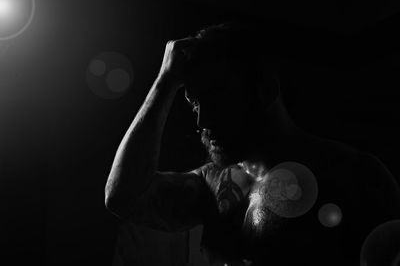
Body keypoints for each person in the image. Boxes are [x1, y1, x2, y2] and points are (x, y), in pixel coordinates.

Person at [105, 22, 400, 265]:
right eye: (195, 104)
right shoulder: (212, 184)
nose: (202, 120)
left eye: (217, 97)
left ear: (265, 88)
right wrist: (165, 82)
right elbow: (123, 196)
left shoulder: (352, 174)